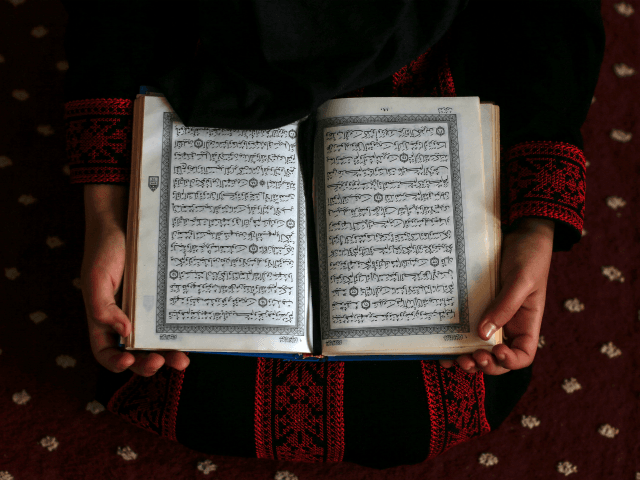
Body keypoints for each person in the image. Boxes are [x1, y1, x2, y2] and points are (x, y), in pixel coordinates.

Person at [64, 0, 604, 468]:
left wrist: (535, 226)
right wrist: (108, 213)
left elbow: (551, 19)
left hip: (431, 46)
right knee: (185, 384)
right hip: (218, 55)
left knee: (412, 407)